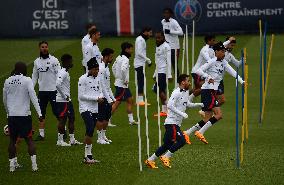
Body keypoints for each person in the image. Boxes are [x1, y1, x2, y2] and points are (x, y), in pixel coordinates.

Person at [184, 42, 244, 144]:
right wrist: (208, 77)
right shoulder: (212, 61)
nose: (223, 53)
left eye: (224, 51)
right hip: (208, 91)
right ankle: (200, 132)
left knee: (207, 118)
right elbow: (199, 70)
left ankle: (187, 133)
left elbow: (233, 71)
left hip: (212, 91)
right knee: (219, 115)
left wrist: (242, 81)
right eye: (221, 51)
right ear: (216, 52)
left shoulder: (224, 62)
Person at [145, 74, 203, 169]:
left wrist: (199, 104)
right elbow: (169, 105)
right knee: (182, 141)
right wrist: (182, 114)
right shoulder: (176, 92)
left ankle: (150, 160)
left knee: (167, 145)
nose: (189, 82)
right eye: (188, 81)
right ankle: (166, 157)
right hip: (171, 123)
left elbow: (187, 104)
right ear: (182, 82)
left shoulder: (185, 92)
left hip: (175, 123)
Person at [3, 62, 43, 172]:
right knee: (29, 140)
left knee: (12, 140)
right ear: (24, 70)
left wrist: (8, 112)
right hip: (24, 115)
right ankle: (34, 166)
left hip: (12, 116)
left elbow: (4, 100)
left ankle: (12, 167)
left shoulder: (7, 81)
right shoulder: (27, 80)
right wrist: (40, 114)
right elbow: (33, 97)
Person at [32, 41, 61, 141]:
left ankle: (63, 131)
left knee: (57, 112)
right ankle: (41, 135)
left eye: (46, 47)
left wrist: (60, 88)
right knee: (41, 113)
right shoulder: (36, 62)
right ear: (39, 48)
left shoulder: (54, 60)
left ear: (48, 48)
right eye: (42, 47)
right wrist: (31, 88)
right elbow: (34, 76)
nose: (44, 48)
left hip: (53, 91)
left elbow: (59, 75)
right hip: (42, 91)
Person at [78, 57, 103, 164]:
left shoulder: (98, 78)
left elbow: (100, 90)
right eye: (95, 69)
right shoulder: (82, 79)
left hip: (95, 108)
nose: (97, 71)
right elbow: (81, 96)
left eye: (98, 69)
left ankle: (89, 156)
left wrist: (101, 97)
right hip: (85, 108)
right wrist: (96, 98)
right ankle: (87, 156)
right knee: (89, 128)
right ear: (90, 69)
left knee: (91, 130)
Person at [56, 54, 82, 146]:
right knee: (62, 119)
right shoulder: (62, 72)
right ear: (66, 62)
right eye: (71, 61)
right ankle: (60, 140)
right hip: (63, 100)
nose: (72, 63)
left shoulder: (66, 72)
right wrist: (64, 96)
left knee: (72, 118)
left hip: (67, 100)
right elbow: (57, 84)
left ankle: (72, 139)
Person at [112, 42, 137, 125]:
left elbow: (113, 67)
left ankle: (131, 120)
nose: (132, 51)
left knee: (130, 100)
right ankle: (107, 120)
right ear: (126, 49)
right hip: (122, 85)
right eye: (131, 49)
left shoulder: (119, 57)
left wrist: (117, 76)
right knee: (117, 103)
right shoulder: (125, 59)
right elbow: (123, 70)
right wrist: (124, 80)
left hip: (120, 83)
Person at [96, 48, 116, 144]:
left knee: (107, 117)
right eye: (111, 56)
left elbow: (108, 86)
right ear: (106, 56)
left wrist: (113, 98)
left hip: (107, 96)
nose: (112, 58)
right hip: (102, 97)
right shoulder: (101, 68)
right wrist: (108, 98)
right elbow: (102, 85)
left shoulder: (106, 67)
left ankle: (103, 136)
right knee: (101, 117)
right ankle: (99, 138)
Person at [217, 36, 241, 106]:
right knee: (222, 100)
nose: (232, 47)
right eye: (231, 45)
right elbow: (221, 46)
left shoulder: (230, 55)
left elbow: (237, 64)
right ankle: (207, 110)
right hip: (213, 79)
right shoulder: (218, 51)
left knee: (219, 100)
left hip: (220, 80)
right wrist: (229, 40)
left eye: (234, 46)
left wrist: (243, 60)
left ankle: (207, 111)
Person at [152, 31, 172, 116]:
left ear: (163, 37)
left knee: (156, 89)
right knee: (162, 90)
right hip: (159, 71)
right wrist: (154, 73)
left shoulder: (166, 46)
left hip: (163, 72)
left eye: (159, 37)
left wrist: (170, 74)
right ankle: (164, 111)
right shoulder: (158, 46)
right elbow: (157, 61)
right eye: (156, 37)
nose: (157, 39)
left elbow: (168, 61)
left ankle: (169, 107)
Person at [161, 8, 183, 79]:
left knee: (174, 64)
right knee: (164, 63)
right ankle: (162, 82)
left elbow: (181, 32)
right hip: (166, 46)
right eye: (165, 13)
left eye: (167, 13)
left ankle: (178, 83)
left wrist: (170, 31)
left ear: (171, 14)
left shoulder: (174, 22)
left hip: (174, 47)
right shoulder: (162, 21)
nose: (166, 14)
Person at [134, 27, 153, 106]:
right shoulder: (141, 40)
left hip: (140, 63)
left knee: (141, 81)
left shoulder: (140, 39)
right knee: (141, 82)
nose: (151, 35)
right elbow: (139, 52)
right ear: (145, 32)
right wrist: (148, 59)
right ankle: (140, 100)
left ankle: (140, 100)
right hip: (139, 64)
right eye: (150, 33)